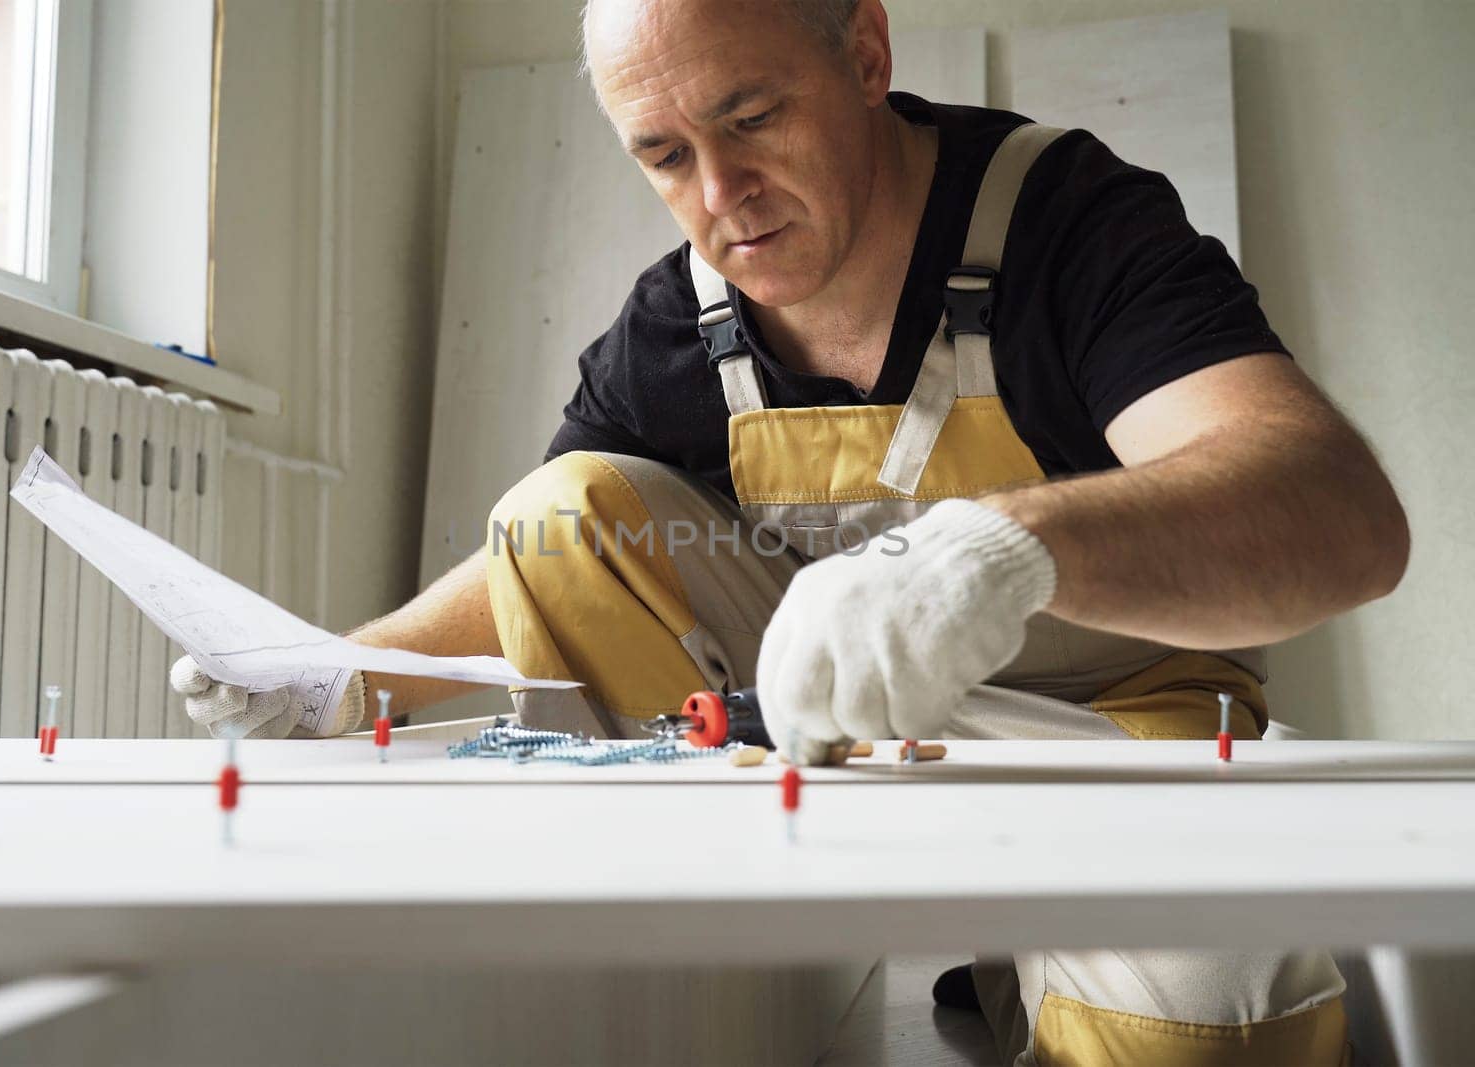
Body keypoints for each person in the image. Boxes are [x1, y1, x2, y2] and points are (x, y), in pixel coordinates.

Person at [174, 0, 1408, 1060]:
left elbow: (1336, 514)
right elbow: (546, 557)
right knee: (556, 506)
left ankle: (1028, 952)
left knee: (1212, 1007)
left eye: (750, 118)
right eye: (661, 154)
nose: (718, 199)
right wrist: (345, 668)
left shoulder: (1069, 222)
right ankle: (749, 960)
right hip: (832, 743)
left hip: (1115, 716)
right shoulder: (680, 318)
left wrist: (996, 550)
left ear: (865, 54)